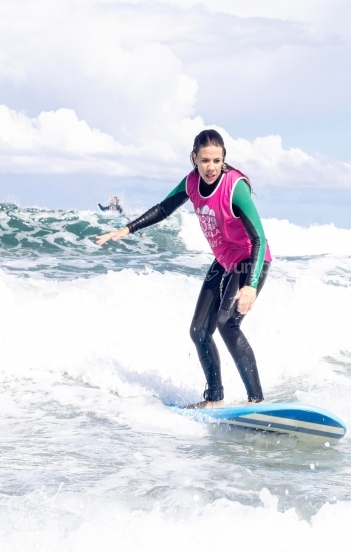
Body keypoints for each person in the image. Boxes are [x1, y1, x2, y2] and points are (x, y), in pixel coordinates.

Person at [95, 130, 272, 408]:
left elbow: (259, 239)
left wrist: (250, 285)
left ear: (224, 158)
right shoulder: (192, 183)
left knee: (227, 323)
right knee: (199, 331)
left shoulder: (234, 187)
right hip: (225, 261)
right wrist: (127, 229)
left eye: (216, 160)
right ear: (194, 158)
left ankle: (257, 402)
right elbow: (164, 208)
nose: (211, 167)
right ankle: (214, 398)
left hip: (250, 260)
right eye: (204, 160)